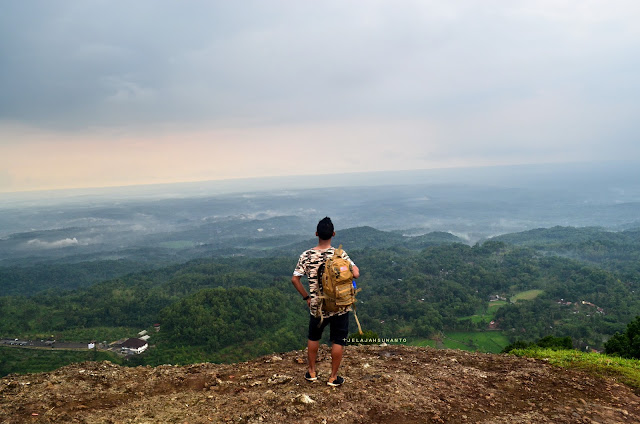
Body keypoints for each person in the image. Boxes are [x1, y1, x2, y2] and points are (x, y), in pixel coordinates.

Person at [291, 217, 360, 386]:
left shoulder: (307, 255)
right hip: (340, 306)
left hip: (318, 306)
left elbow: (295, 279)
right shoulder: (340, 254)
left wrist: (307, 297)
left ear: (316, 234)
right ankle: (333, 377)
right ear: (333, 234)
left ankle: (312, 372)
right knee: (338, 341)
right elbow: (356, 273)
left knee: (314, 337)